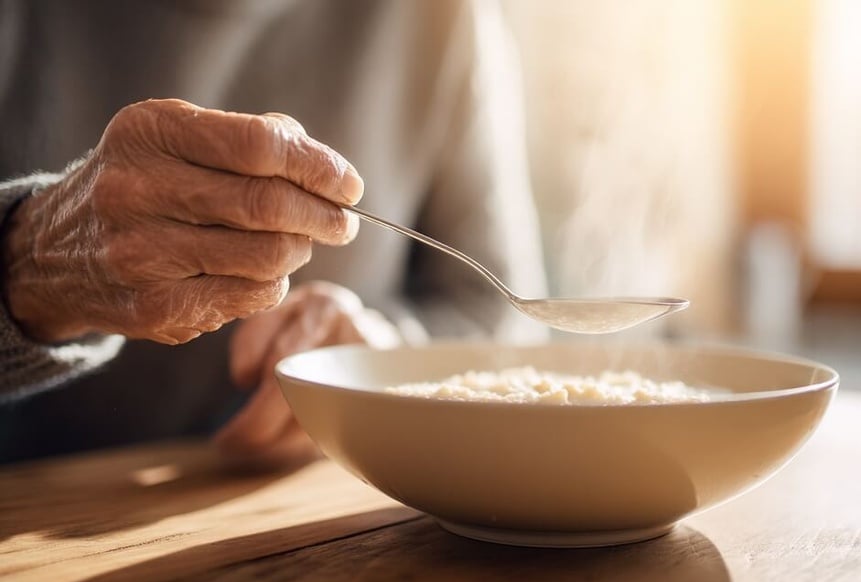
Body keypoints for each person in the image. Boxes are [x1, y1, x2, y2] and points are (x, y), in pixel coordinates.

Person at [0, 0, 547, 465]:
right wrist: (32, 260)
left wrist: (384, 356)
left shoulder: (438, 15)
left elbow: (501, 319)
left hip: (307, 523)